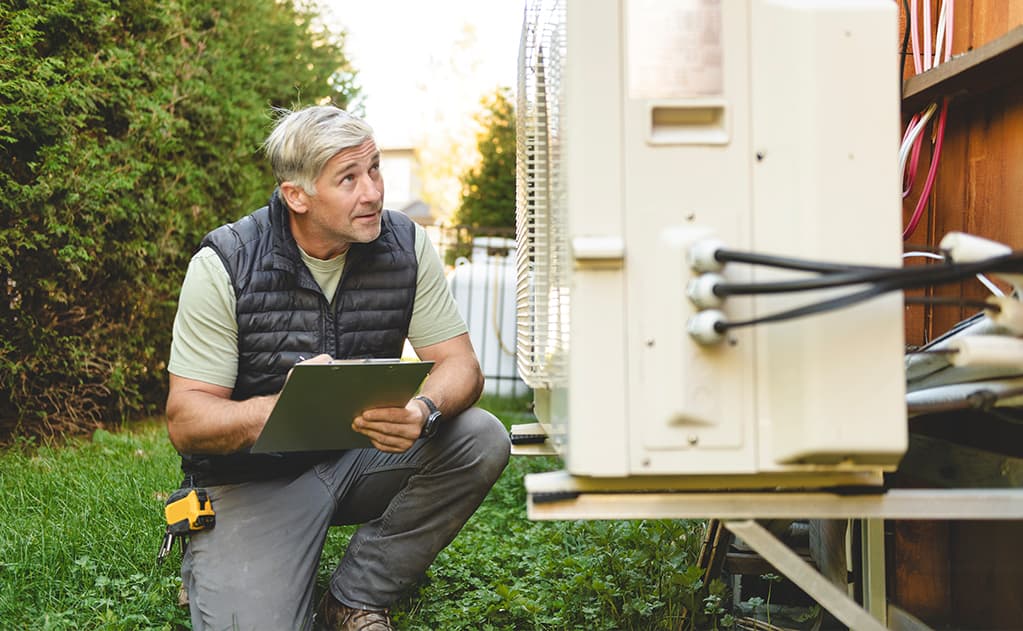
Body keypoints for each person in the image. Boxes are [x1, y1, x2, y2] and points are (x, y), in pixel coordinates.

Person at [165, 104, 511, 631]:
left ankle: (354, 596)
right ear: (296, 195)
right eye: (348, 178)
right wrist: (276, 411)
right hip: (252, 483)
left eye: (373, 169)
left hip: (359, 459)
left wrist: (422, 410)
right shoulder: (225, 263)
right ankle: (217, 562)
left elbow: (460, 364)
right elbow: (186, 420)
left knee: (480, 436)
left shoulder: (406, 244)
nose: (372, 192)